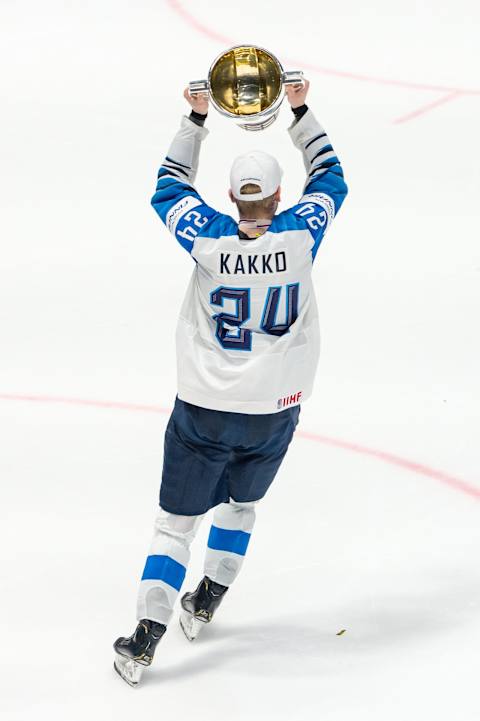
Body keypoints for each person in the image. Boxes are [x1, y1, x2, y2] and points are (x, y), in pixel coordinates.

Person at [113, 79, 348, 686]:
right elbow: (330, 177)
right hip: (275, 409)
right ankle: (209, 596)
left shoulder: (209, 239)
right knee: (241, 504)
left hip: (204, 408)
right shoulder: (300, 235)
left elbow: (168, 187)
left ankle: (146, 636)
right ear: (276, 195)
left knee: (174, 525)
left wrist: (195, 120)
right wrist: (296, 108)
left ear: (231, 196)